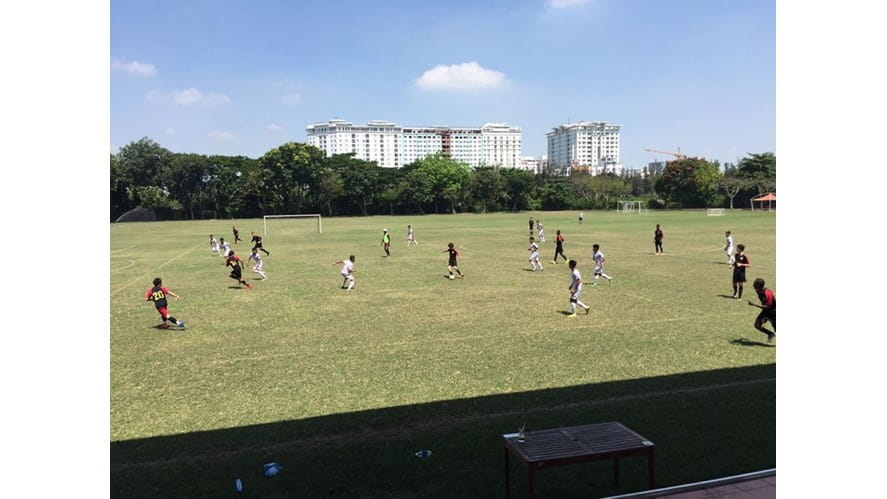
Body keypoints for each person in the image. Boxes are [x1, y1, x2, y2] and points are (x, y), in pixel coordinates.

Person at [748, 278, 776, 343]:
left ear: (759, 286)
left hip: (773, 312)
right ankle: (770, 334)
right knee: (757, 325)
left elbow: (767, 307)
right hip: (766, 311)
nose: (753, 285)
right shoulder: (758, 290)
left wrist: (754, 304)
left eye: (754, 284)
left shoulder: (767, 293)